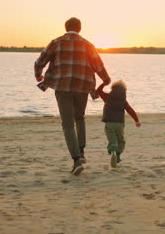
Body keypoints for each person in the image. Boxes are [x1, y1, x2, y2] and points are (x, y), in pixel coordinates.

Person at [34, 17, 111, 175]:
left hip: (63, 86)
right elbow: (98, 64)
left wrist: (38, 74)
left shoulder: (56, 42)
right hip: (82, 86)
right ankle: (81, 152)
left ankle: (76, 160)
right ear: (80, 28)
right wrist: (106, 79)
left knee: (67, 123)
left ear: (66, 27)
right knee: (80, 117)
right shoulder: (88, 45)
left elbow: (40, 61)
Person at [96, 80, 141, 168]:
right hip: (120, 124)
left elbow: (98, 91)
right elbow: (130, 110)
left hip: (109, 123)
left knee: (112, 140)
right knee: (121, 140)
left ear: (112, 89)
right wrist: (137, 121)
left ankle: (113, 152)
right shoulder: (123, 101)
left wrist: (104, 83)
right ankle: (118, 155)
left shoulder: (107, 97)